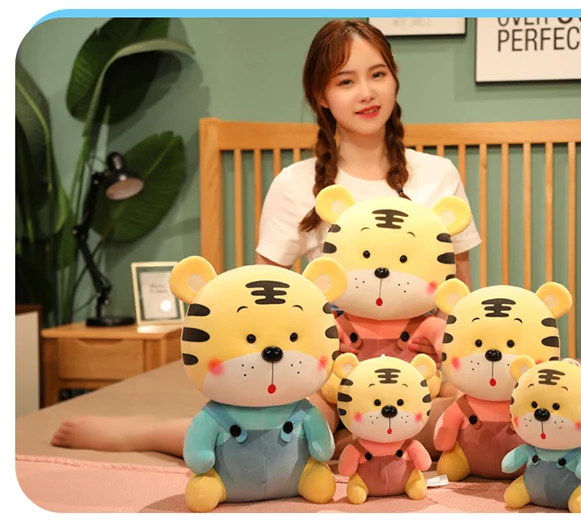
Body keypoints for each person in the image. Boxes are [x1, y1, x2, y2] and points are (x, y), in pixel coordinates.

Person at [50, 19, 481, 460]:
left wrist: (444, 355)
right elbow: (268, 301)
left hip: (418, 373)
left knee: (477, 425)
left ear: (394, 77)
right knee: (274, 441)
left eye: (377, 74)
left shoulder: (438, 175)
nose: (366, 92)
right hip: (324, 369)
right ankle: (149, 433)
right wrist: (313, 346)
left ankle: (356, 444)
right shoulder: (295, 184)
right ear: (321, 96)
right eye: (346, 81)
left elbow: (460, 295)